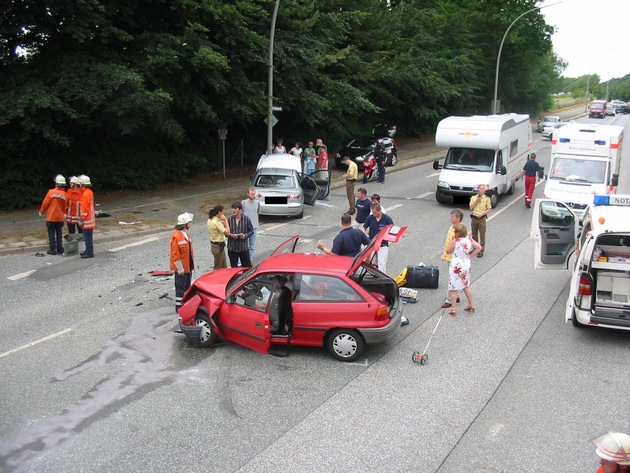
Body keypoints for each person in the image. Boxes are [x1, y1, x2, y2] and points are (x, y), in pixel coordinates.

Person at [445, 223, 482, 315]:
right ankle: (471, 304)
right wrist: (470, 255)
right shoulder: (469, 239)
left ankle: (453, 308)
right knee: (466, 285)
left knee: (453, 287)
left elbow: (448, 251)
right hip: (466, 263)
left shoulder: (455, 241)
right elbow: (479, 247)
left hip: (456, 265)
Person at [170, 212, 194, 312]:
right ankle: (179, 307)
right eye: (189, 222)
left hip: (187, 267)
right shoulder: (176, 236)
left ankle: (185, 303)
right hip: (182, 268)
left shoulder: (186, 234)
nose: (191, 224)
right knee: (180, 287)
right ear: (185, 224)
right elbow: (175, 254)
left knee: (187, 286)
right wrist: (179, 268)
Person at [441, 209, 464, 308]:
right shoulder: (452, 227)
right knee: (454, 278)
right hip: (450, 256)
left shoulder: (459, 229)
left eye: (453, 217)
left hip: (454, 257)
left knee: (452, 278)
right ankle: (456, 295)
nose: (451, 218)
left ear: (458, 218)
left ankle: (449, 300)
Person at [39, 174, 68, 255]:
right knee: (59, 233)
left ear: (56, 183)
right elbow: (66, 206)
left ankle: (52, 249)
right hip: (60, 217)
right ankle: (59, 249)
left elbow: (45, 203)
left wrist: (41, 211)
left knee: (51, 233)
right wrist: (64, 214)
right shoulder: (65, 194)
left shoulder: (51, 192)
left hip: (51, 217)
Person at [226, 201, 253, 268]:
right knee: (233, 268)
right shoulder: (229, 220)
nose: (233, 210)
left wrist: (245, 236)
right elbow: (225, 233)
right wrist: (231, 235)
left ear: (240, 210)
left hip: (243, 248)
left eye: (235, 208)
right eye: (232, 208)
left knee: (247, 267)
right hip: (232, 248)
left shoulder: (246, 219)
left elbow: (251, 231)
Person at [469, 184, 492, 258]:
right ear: (478, 189)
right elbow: (471, 207)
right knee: (474, 235)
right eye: (482, 189)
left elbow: (489, 208)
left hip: (481, 218)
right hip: (474, 218)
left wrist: (482, 214)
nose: (483, 190)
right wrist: (476, 201)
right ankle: (475, 248)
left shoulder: (487, 198)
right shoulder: (473, 197)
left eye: (484, 189)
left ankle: (481, 250)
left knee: (482, 235)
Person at [207, 205, 231, 270]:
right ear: (219, 212)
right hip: (218, 246)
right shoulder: (216, 222)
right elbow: (227, 232)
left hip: (215, 245)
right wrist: (226, 221)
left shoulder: (210, 219)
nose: (223, 213)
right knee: (218, 267)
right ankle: (216, 279)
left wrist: (220, 221)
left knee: (223, 265)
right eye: (223, 212)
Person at [78, 175, 95, 258]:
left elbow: (84, 208)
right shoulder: (89, 192)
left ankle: (89, 253)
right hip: (90, 219)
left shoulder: (85, 194)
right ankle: (88, 250)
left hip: (86, 220)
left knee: (87, 237)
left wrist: (82, 218)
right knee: (89, 237)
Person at [241, 187, 261, 262]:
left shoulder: (257, 203)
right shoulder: (244, 202)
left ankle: (250, 260)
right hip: (245, 227)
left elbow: (258, 213)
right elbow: (241, 213)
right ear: (248, 194)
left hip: (254, 227)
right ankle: (241, 261)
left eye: (254, 194)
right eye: (251, 194)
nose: (253, 195)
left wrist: (257, 224)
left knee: (252, 245)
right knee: (243, 245)